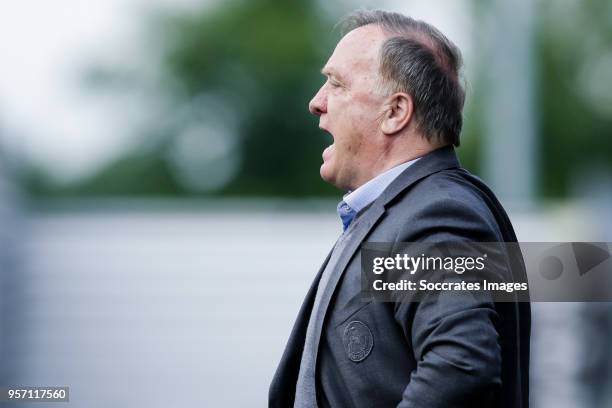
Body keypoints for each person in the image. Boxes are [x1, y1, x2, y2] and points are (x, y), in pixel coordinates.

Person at [269, 9, 530, 408]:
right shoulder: (417, 208)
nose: (316, 103)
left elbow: (462, 365)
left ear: (395, 112)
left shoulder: (435, 213)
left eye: (336, 84)